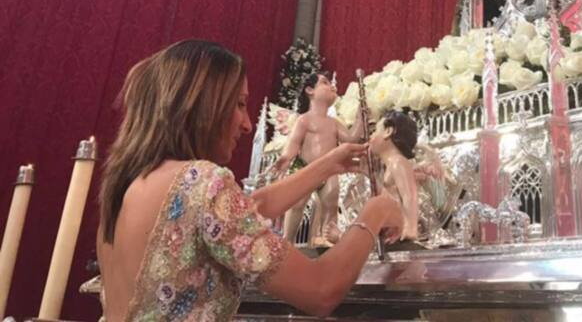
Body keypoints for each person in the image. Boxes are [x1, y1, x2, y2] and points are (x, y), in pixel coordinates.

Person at [97, 40, 402, 321]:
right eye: (239, 104)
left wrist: (324, 166)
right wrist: (376, 211)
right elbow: (320, 291)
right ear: (201, 104)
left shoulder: (127, 189)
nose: (246, 124)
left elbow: (243, 210)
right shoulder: (202, 182)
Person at [272, 72, 364, 247]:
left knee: (331, 201)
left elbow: (351, 139)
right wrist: (286, 157)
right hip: (305, 168)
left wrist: (360, 117)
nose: (332, 87)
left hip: (328, 171)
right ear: (310, 90)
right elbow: (294, 142)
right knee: (297, 205)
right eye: (325, 83)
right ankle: (288, 241)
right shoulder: (304, 120)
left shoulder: (334, 123)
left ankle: (328, 238)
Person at [369, 110, 419, 241]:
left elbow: (409, 195)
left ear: (388, 131)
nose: (371, 137)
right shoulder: (390, 165)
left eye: (375, 131)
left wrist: (410, 228)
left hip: (402, 231)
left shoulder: (398, 162)